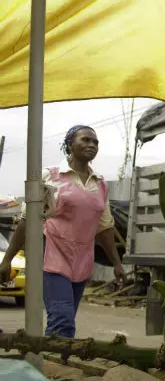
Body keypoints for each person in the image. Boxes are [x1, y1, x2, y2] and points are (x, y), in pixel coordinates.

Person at [0, 125, 126, 337]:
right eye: (85, 140)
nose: (91, 145)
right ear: (69, 145)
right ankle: (53, 366)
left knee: (65, 319)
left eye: (95, 142)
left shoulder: (100, 184)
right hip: (51, 256)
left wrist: (117, 263)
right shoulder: (50, 176)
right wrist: (7, 260)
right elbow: (26, 219)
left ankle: (51, 360)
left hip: (82, 260)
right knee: (62, 321)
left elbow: (104, 227)